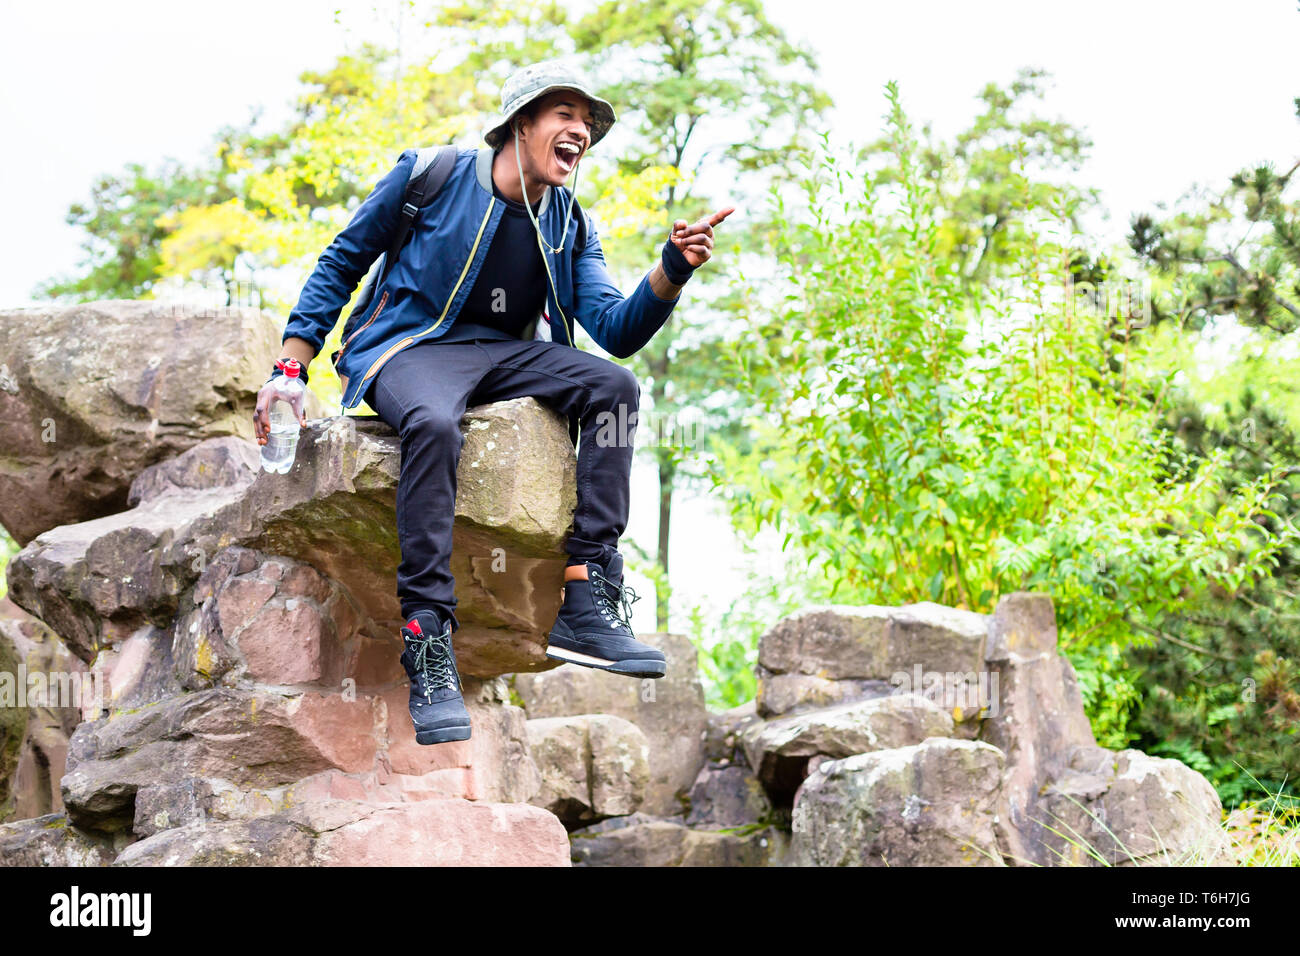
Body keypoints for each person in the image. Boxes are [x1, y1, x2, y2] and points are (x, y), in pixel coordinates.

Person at [252, 60, 733, 745]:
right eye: (564, 115)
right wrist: (289, 368)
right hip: (404, 348)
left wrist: (674, 267)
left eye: (587, 122)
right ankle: (427, 638)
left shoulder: (569, 221)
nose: (580, 131)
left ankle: (587, 598)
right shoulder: (431, 175)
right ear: (520, 123)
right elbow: (341, 260)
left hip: (501, 356)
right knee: (435, 423)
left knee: (613, 389)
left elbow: (616, 331)